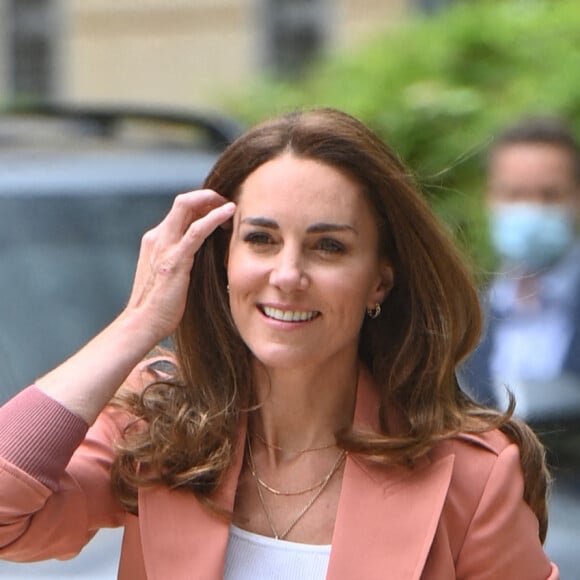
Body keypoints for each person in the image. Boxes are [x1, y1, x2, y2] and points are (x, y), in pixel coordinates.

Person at [0, 108, 558, 579]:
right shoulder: (159, 428)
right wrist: (137, 323)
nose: (288, 275)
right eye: (261, 240)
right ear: (223, 261)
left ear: (380, 281)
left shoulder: (471, 477)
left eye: (329, 248)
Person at [461, 116, 580, 417]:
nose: (530, 209)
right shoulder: (465, 318)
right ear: (491, 198)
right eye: (514, 195)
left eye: (549, 195)